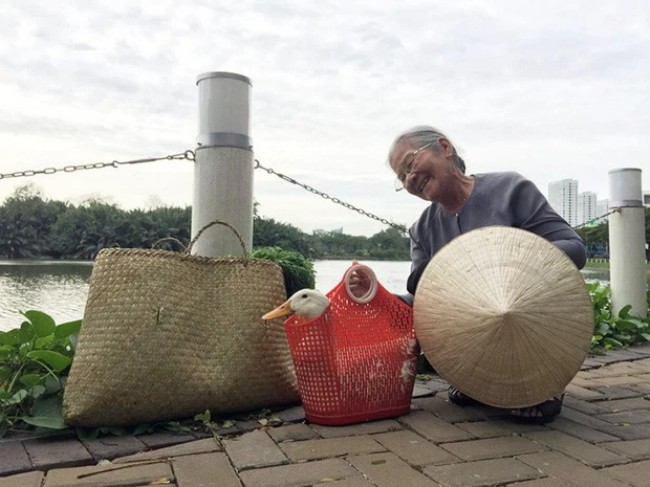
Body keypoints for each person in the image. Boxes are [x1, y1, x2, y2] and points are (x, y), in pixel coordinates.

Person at [389, 125, 586, 423]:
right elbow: (420, 292)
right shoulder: (421, 229)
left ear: (444, 147)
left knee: (509, 305)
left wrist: (507, 259)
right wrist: (373, 295)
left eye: (410, 164)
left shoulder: (510, 189)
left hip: (528, 315)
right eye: (402, 177)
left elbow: (574, 248)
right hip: (471, 333)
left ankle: (544, 383)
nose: (410, 179)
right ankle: (472, 379)